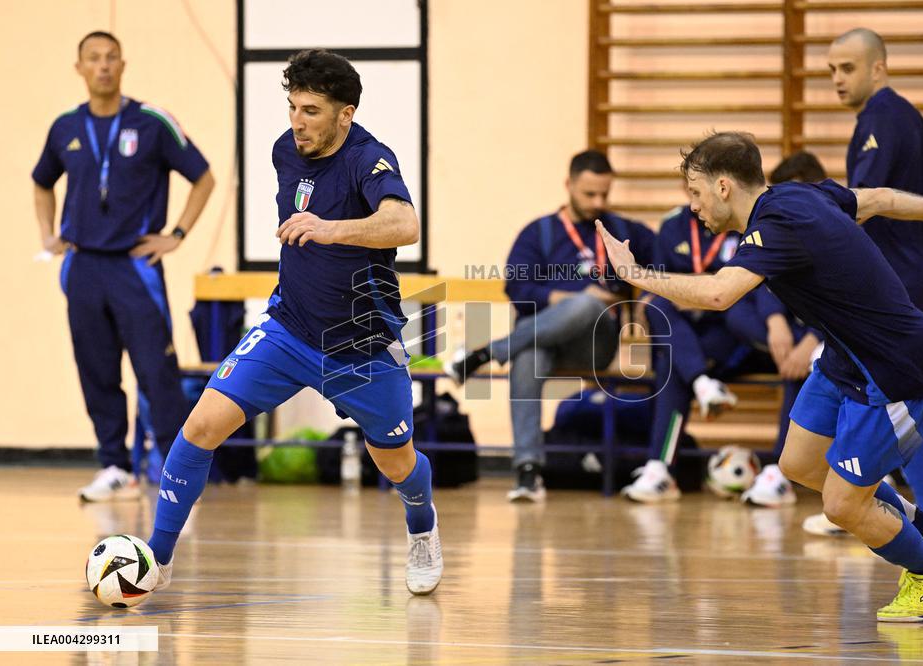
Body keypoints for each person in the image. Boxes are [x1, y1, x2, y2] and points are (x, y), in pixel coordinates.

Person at [598, 131, 923, 622]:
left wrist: (635, 274)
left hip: (893, 369)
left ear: (724, 187)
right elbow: (880, 199)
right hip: (847, 357)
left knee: (841, 507)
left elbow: (721, 295)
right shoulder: (799, 193)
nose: (694, 208)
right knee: (799, 461)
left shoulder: (775, 226)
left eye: (696, 194)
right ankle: (919, 522)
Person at [144, 49, 442, 595]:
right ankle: (155, 562)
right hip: (288, 329)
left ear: (345, 114)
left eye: (310, 111)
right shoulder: (286, 150)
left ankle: (422, 529)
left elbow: (404, 224)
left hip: (362, 345)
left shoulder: (369, 158)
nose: (296, 122)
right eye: (292, 107)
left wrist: (331, 229)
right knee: (200, 428)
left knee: (396, 462)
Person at [32, 31, 215, 502]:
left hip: (135, 267)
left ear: (123, 65)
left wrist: (175, 236)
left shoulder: (152, 121)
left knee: (156, 371)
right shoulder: (65, 127)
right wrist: (49, 236)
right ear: (80, 69)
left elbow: (203, 176)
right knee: (96, 369)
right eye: (93, 59)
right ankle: (115, 466)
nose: (103, 66)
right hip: (84, 267)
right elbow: (41, 182)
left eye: (111, 57)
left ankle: (179, 474)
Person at [446, 150, 655, 502]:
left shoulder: (624, 232)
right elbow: (517, 287)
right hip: (543, 340)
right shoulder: (539, 233)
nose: (598, 202)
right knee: (528, 355)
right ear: (569, 185)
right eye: (589, 194)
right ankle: (528, 471)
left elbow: (666, 264)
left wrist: (650, 299)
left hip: (595, 343)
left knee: (589, 305)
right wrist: (565, 298)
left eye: (605, 193)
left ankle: (485, 352)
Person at [824, 27, 923, 518]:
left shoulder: (881, 118)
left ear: (878, 68)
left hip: (889, 283)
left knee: (894, 397)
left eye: (847, 68)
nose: (836, 79)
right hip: (908, 274)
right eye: (831, 70)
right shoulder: (909, 116)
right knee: (872, 388)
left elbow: (860, 203)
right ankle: (867, 500)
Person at [620, 196, 745, 502]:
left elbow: (741, 292)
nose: (697, 197)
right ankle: (703, 384)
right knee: (656, 306)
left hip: (727, 331)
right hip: (684, 328)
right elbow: (661, 285)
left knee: (672, 364)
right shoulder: (673, 225)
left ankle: (660, 469)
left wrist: (697, 291)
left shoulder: (744, 223)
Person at [742, 151, 828, 507]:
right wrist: (775, 321)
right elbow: (762, 281)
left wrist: (813, 338)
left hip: (846, 338)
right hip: (796, 339)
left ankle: (874, 478)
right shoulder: (781, 233)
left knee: (815, 365)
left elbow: (853, 299)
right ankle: (781, 473)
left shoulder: (840, 234)